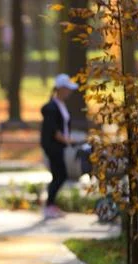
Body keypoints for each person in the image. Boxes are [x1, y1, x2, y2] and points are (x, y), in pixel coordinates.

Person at [40, 73, 79, 219]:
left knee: (58, 175)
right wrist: (67, 140)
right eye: (67, 89)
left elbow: (62, 127)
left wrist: (68, 139)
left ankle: (51, 204)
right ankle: (49, 205)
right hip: (53, 146)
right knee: (60, 175)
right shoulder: (51, 108)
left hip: (59, 146)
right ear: (61, 89)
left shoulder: (60, 105)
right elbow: (54, 130)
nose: (69, 92)